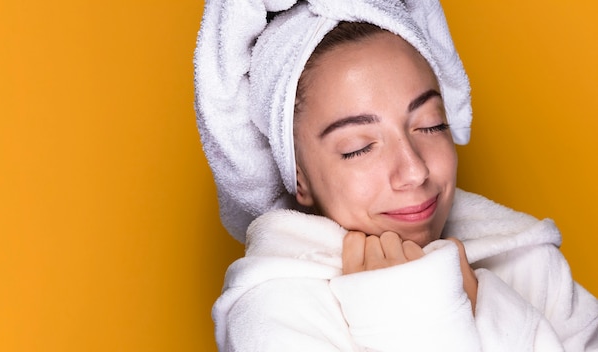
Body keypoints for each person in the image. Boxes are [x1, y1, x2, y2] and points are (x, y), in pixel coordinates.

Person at [194, 0, 598, 351]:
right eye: (359, 147)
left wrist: (484, 306)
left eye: (430, 125)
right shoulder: (273, 315)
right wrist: (423, 314)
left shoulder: (527, 259)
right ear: (299, 178)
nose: (414, 170)